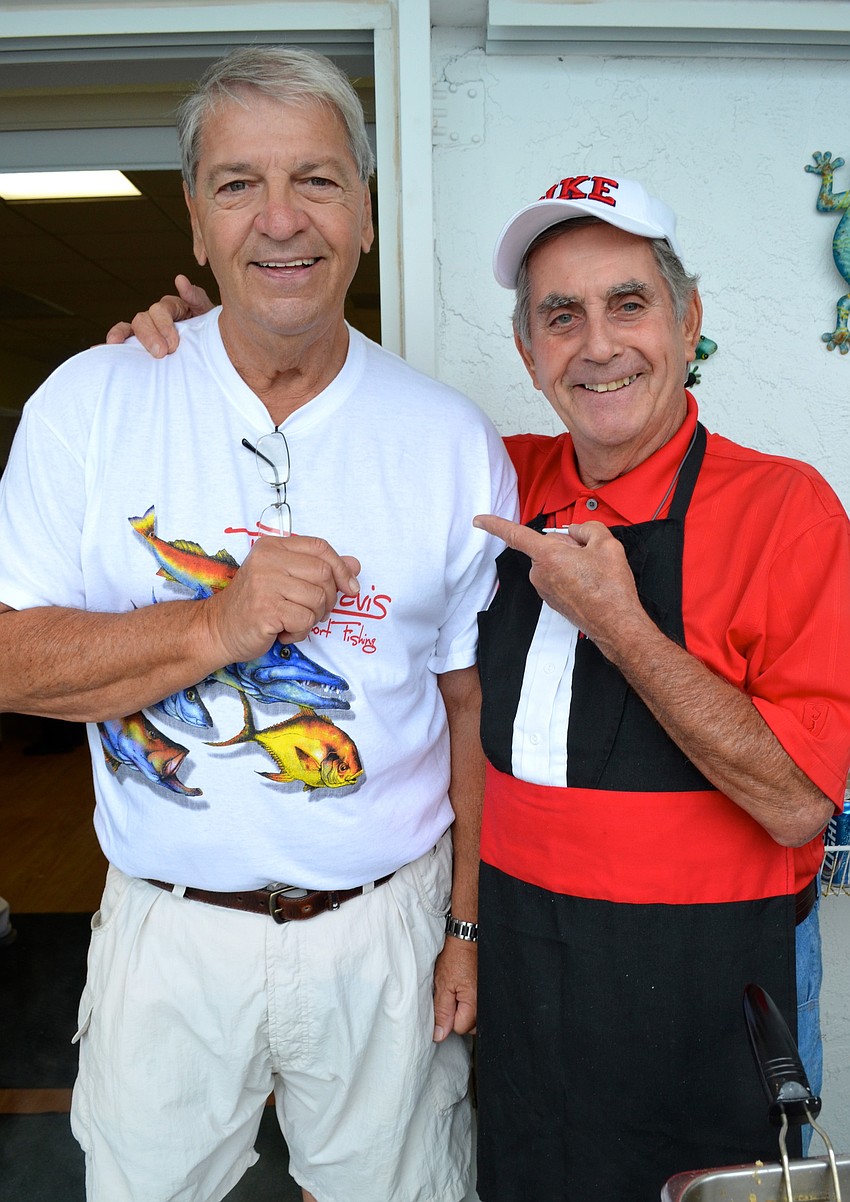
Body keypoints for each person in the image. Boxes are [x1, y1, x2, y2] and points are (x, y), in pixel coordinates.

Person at [112, 174, 850, 1198]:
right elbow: (305, 456)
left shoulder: (787, 508)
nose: (596, 344)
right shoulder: (489, 474)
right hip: (527, 973)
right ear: (527, 353)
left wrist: (621, 626)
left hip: (709, 984)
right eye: (561, 315)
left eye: (627, 304)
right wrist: (217, 360)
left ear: (687, 324)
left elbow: (795, 800)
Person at [0, 46, 516, 1202]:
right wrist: (219, 622)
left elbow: (464, 702)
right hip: (168, 936)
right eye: (238, 184)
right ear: (192, 221)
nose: (281, 220)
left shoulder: (446, 439)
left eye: (319, 181)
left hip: (386, 931)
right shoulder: (89, 404)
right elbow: (11, 661)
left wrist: (465, 930)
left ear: (368, 212)